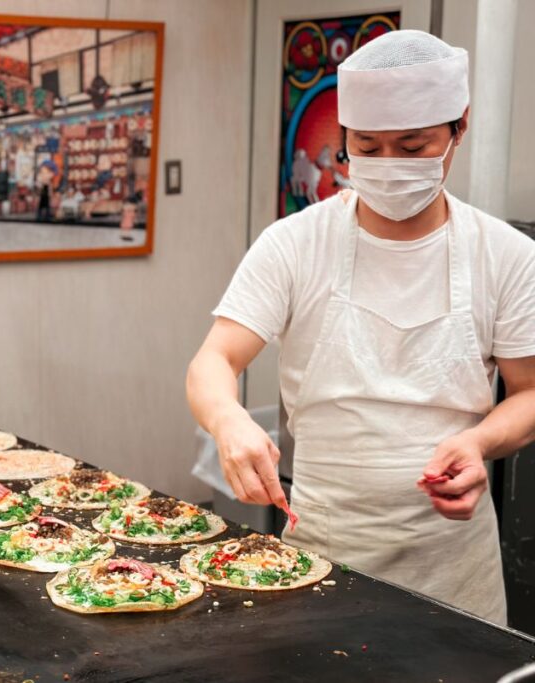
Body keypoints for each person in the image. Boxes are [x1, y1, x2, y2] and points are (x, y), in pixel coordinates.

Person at [186, 30, 535, 626]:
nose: (388, 165)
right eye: (367, 147)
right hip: (325, 550)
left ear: (460, 127)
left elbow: (529, 392)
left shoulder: (504, 254)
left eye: (413, 145)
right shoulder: (296, 242)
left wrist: (479, 443)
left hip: (454, 568)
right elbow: (212, 361)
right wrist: (227, 421)